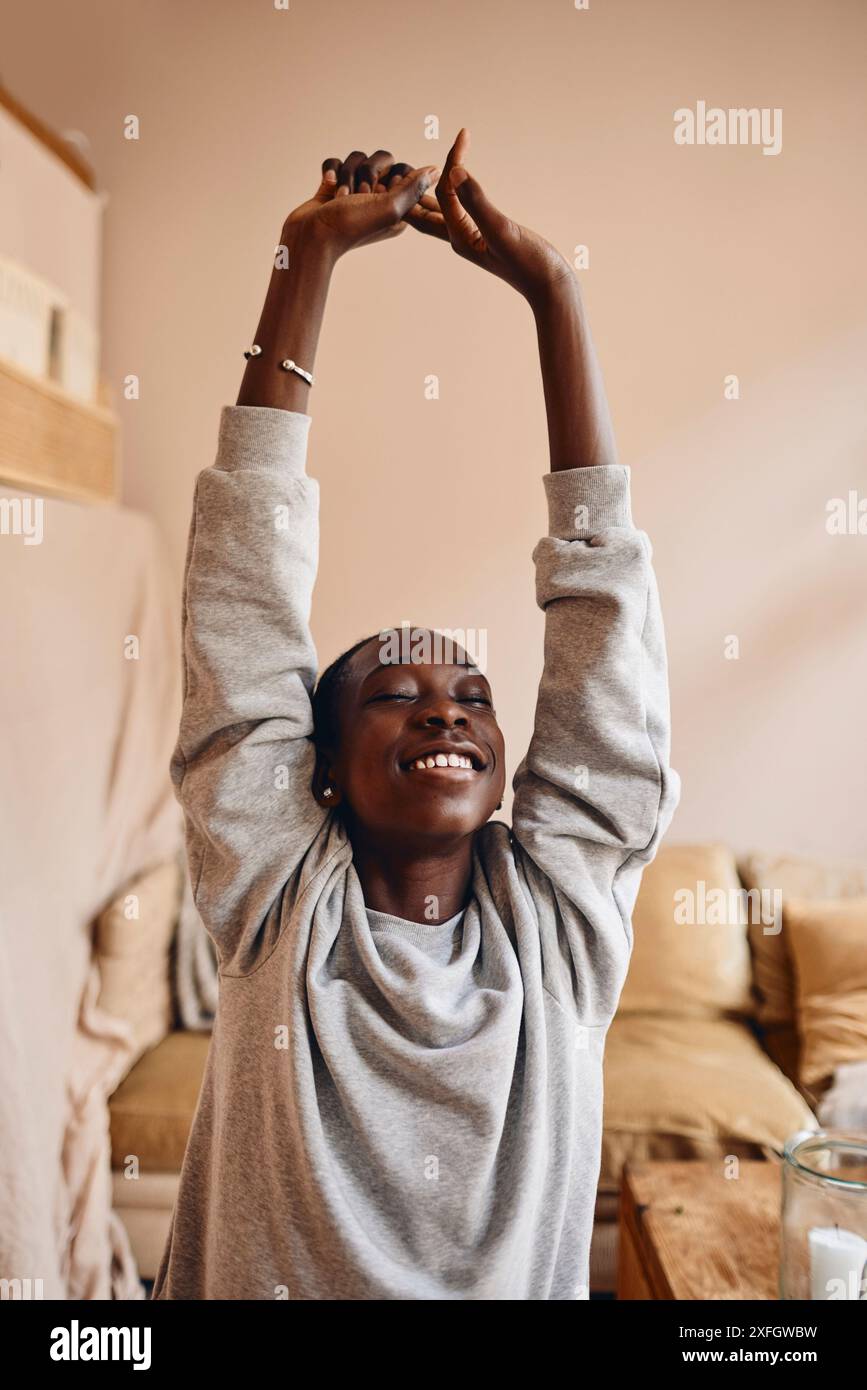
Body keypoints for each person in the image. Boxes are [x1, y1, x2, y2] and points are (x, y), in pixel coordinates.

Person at [151, 129, 681, 1301]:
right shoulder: (275, 904)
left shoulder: (560, 924)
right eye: (395, 697)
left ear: (507, 766)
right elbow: (243, 599)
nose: (446, 712)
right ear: (318, 772)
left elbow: (605, 654)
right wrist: (304, 261)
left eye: (471, 698)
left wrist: (557, 296)